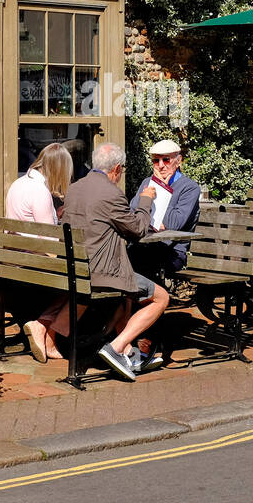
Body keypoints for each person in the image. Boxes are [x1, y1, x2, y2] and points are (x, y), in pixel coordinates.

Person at [61, 144, 168, 380]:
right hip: (102, 274)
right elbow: (139, 229)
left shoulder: (75, 188)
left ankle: (128, 353)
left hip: (75, 270)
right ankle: (116, 347)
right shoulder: (111, 193)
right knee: (161, 298)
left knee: (128, 296)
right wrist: (145, 200)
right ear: (117, 169)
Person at [5, 143, 73, 363]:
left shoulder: (19, 183)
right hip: (31, 265)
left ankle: (45, 332)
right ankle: (42, 326)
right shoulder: (40, 191)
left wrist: (56, 214)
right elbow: (51, 241)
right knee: (79, 282)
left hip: (12, 261)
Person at [127, 139, 202, 284]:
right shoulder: (147, 182)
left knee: (139, 260)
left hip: (172, 250)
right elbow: (133, 211)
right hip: (144, 244)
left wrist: (162, 190)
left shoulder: (190, 188)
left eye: (166, 160)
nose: (161, 166)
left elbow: (173, 223)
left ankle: (150, 302)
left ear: (178, 161)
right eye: (156, 161)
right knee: (120, 257)